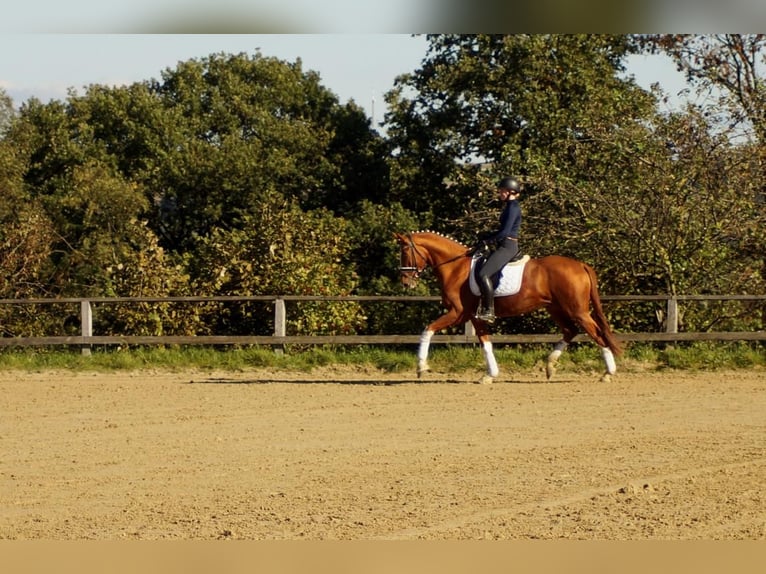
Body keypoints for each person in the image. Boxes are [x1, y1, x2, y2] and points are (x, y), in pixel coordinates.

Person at [475, 176, 523, 324]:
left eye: (502, 191)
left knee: (483, 274)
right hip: (504, 244)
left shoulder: (513, 207)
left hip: (507, 246)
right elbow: (501, 230)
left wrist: (489, 239)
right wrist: (487, 235)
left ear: (511, 191)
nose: (499, 194)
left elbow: (505, 232)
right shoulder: (509, 206)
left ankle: (488, 311)